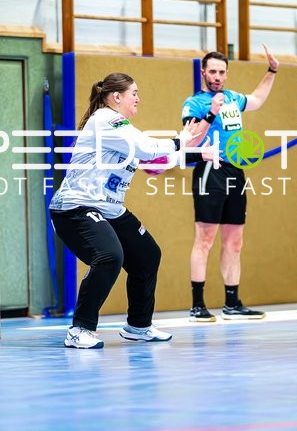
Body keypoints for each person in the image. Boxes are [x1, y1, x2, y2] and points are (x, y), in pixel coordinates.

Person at [50, 72, 211, 349]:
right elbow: (147, 148)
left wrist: (199, 153)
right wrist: (180, 139)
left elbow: (155, 163)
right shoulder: (105, 119)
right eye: (133, 93)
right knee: (109, 256)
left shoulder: (121, 130)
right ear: (116, 97)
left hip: (108, 209)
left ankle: (138, 326)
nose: (138, 98)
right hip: (75, 208)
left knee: (147, 255)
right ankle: (80, 329)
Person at [181, 44, 279, 322]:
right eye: (212, 71)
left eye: (221, 72)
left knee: (235, 242)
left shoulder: (233, 98)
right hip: (209, 170)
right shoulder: (195, 103)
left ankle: (232, 303)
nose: (217, 76)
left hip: (235, 171)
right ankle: (197, 305)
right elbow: (192, 141)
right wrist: (210, 113)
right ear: (203, 72)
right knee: (205, 239)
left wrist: (272, 70)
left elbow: (257, 99)